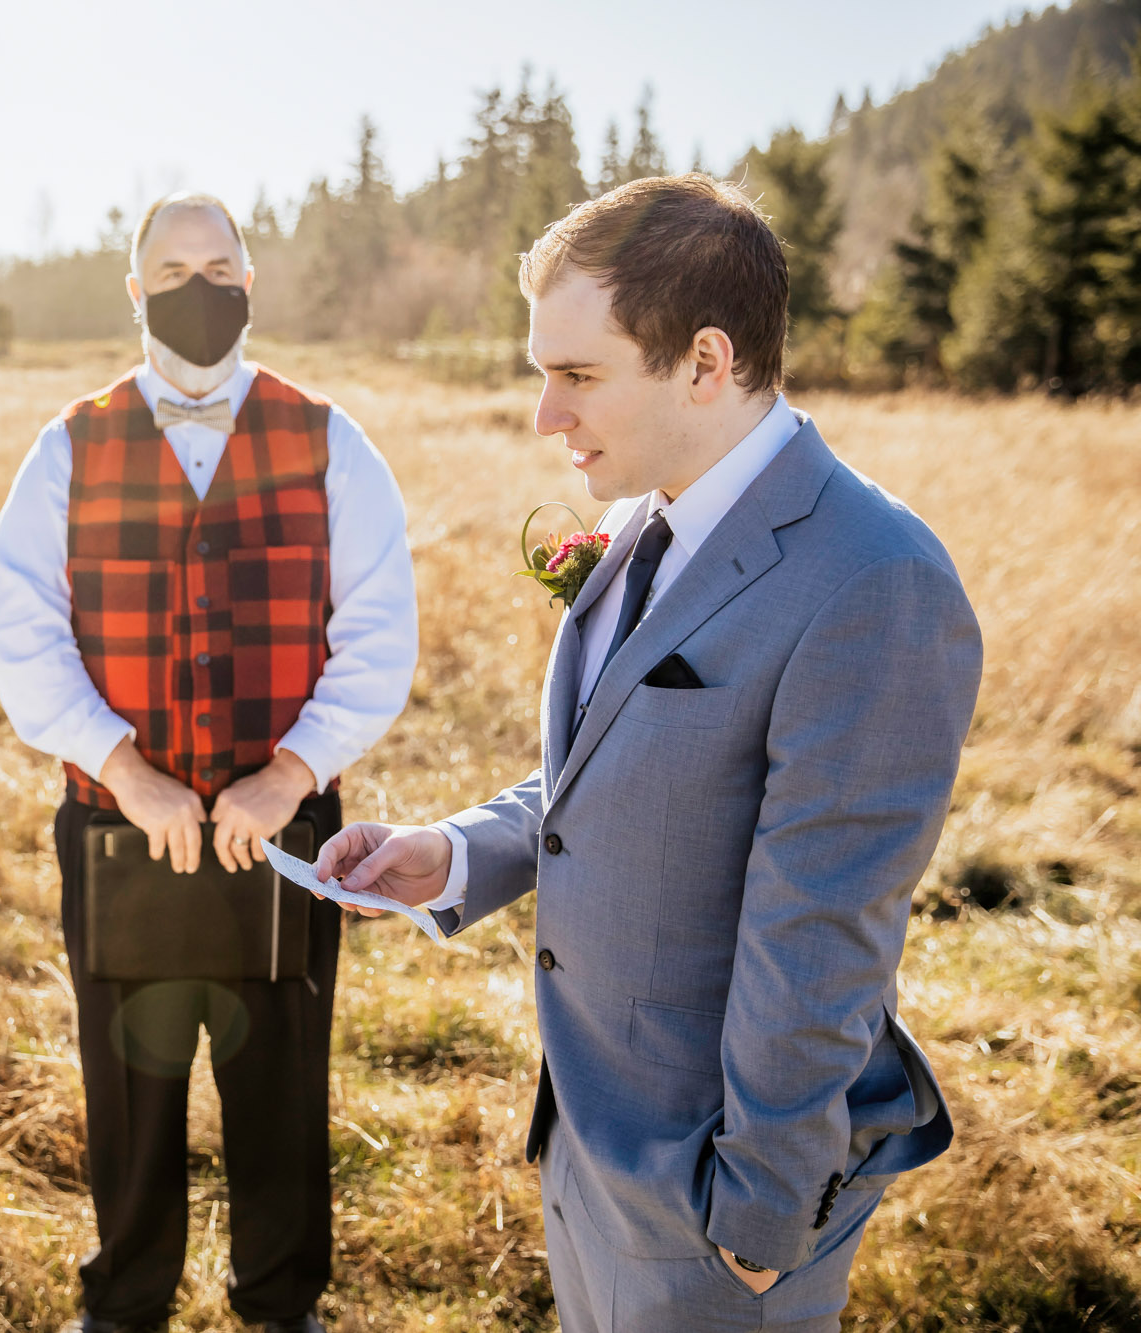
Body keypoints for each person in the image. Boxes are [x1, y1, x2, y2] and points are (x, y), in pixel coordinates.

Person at [315, 175, 982, 1332]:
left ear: (704, 365)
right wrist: (456, 851)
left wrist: (757, 1224)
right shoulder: (640, 520)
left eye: (576, 375)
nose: (543, 415)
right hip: (582, 1140)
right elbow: (616, 769)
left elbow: (822, 938)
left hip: (710, 1204)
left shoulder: (873, 583)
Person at [0, 192, 419, 1333]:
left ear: (249, 283)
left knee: (281, 1083)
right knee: (127, 1095)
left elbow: (378, 632)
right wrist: (124, 768)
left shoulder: (327, 436)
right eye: (172, 268)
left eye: (218, 265)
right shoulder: (67, 446)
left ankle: (281, 1306)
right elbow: (22, 637)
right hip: (115, 829)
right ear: (133, 292)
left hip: (281, 832)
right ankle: (123, 1305)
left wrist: (291, 772)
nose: (197, 285)